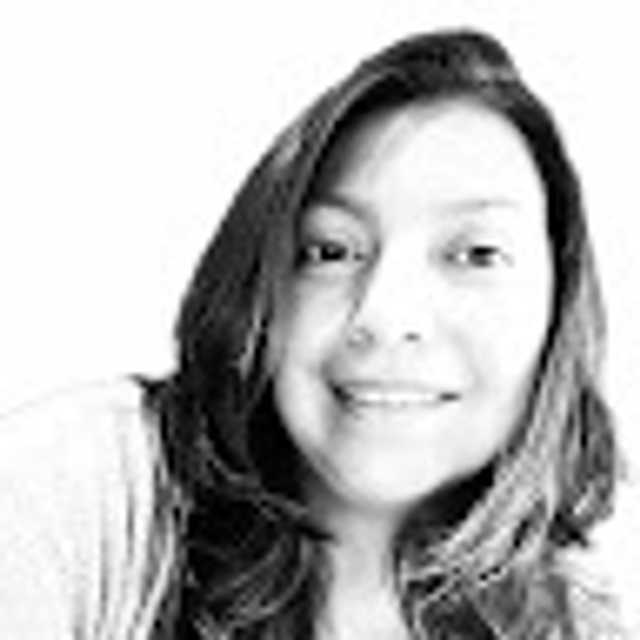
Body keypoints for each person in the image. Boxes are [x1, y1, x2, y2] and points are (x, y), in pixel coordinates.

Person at [0, 29, 637, 639]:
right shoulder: (76, 490)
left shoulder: (579, 620)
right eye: (330, 251)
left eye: (475, 255)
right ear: (261, 283)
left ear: (559, 306)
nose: (384, 314)